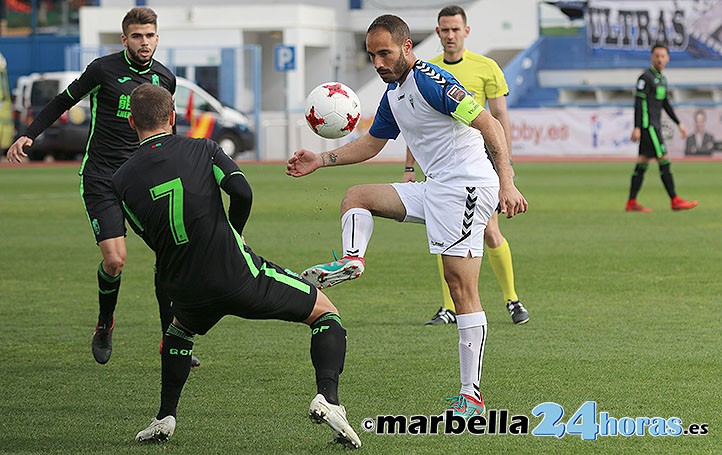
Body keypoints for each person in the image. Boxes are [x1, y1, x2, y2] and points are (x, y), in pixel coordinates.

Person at [287, 14, 527, 417]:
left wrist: (507, 181)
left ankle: (471, 396)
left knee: (460, 288)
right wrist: (321, 159)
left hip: (468, 186)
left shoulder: (431, 81)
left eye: (385, 52)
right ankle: (352, 260)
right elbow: (371, 145)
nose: (379, 62)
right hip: (436, 188)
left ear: (406, 48)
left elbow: (488, 123)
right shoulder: (394, 94)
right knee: (357, 196)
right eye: (372, 55)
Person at [113, 83, 360, 448]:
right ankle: (330, 400)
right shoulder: (203, 148)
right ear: (172, 116)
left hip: (183, 283)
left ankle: (165, 417)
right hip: (237, 274)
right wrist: (235, 234)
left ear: (131, 122)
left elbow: (149, 234)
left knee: (179, 334)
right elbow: (243, 192)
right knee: (325, 313)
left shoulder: (120, 180)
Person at [6, 7, 200, 367]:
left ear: (157, 38)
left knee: (170, 254)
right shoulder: (103, 69)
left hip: (143, 179)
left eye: (150, 35)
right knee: (115, 260)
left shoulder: (164, 79)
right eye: (137, 36)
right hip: (102, 177)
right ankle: (104, 324)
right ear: (124, 39)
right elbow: (64, 100)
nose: (145, 42)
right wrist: (28, 135)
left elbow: (168, 132)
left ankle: (169, 339)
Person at [403, 5, 528, 326]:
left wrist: (507, 168)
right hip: (442, 162)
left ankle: (511, 299)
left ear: (466, 32)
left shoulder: (486, 67)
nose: (449, 35)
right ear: (437, 32)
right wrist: (408, 167)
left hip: (479, 160)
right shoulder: (425, 70)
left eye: (455, 29)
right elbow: (417, 125)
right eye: (444, 30)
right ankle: (449, 307)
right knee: (443, 230)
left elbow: (499, 117)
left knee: (489, 230)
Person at [626, 43, 698, 212]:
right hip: (649, 126)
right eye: (657, 56)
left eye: (663, 56)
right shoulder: (645, 78)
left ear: (668, 58)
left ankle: (631, 202)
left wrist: (678, 123)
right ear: (652, 57)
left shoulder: (662, 80)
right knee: (664, 159)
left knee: (642, 163)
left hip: (654, 125)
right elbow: (638, 103)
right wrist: (637, 127)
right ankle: (675, 200)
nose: (660, 59)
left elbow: (665, 104)